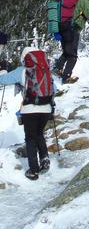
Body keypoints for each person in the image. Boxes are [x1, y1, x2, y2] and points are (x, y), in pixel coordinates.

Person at [0, 47, 54, 181]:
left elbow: (3, 80)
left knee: (30, 138)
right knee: (39, 134)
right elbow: (54, 89)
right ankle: (45, 158)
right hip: (46, 108)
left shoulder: (22, 71)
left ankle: (33, 170)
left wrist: (3, 71)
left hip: (30, 109)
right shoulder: (45, 70)